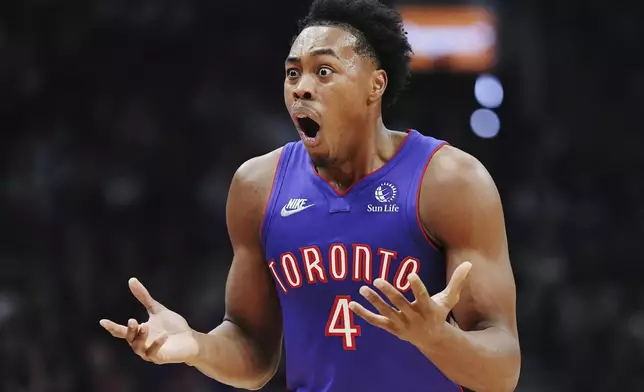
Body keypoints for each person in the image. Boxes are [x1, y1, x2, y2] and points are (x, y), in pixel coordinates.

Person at [99, 0, 521, 391]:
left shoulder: (450, 181)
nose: (300, 87)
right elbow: (253, 350)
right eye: (292, 72)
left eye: (323, 71)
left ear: (375, 86)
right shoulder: (257, 187)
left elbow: (503, 370)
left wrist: (437, 339)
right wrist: (195, 346)